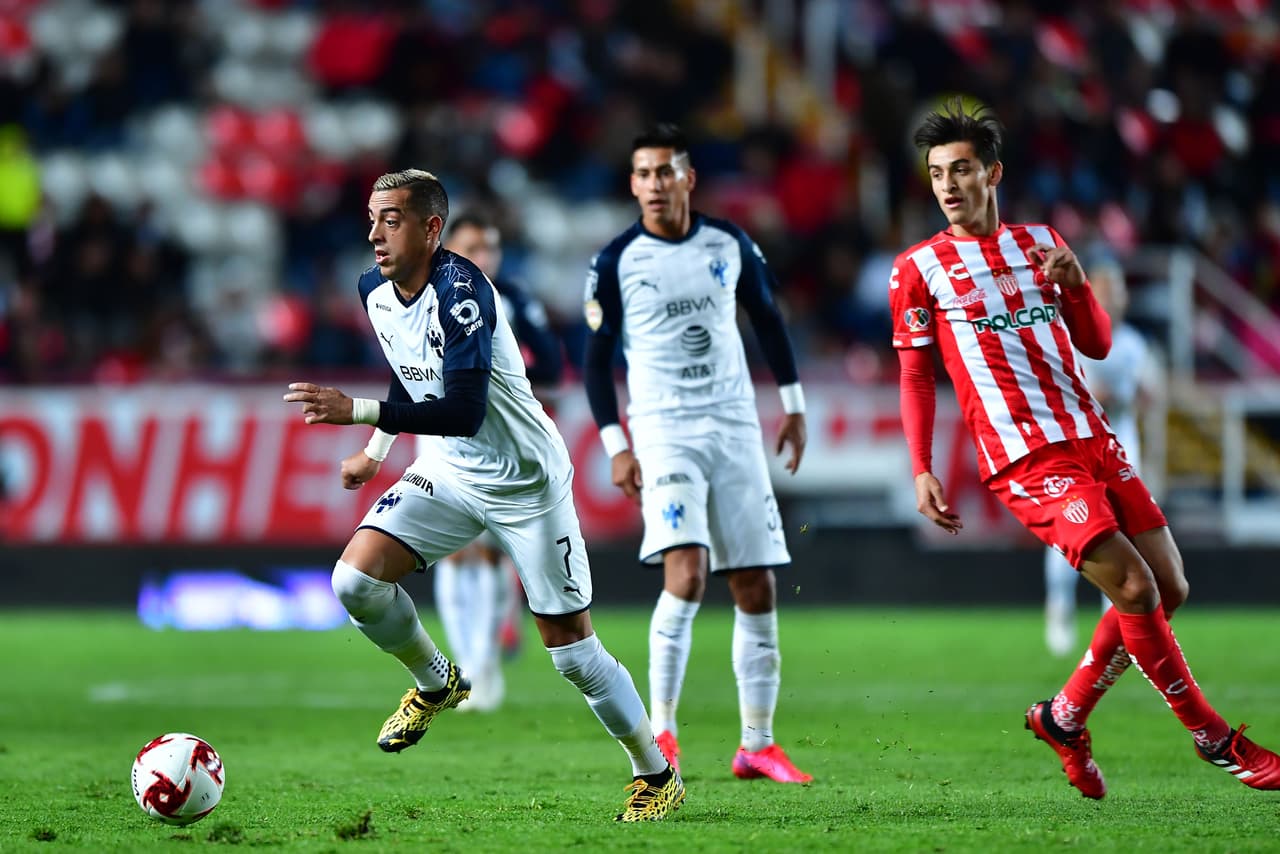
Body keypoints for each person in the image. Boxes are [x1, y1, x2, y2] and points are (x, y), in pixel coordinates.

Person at [892, 99, 1280, 799]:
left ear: (993, 172)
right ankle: (1214, 738)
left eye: (961, 169)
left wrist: (1075, 288)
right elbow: (917, 373)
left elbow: (1098, 342)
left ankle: (1063, 718)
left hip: (1093, 439)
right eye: (936, 174)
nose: (947, 185)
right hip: (1026, 457)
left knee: (1170, 588)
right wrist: (920, 465)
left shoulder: (1040, 242)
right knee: (1133, 586)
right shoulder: (919, 269)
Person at [283, 169, 684, 822]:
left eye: (391, 219)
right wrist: (378, 451)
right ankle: (436, 680)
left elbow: (465, 408)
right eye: (371, 217)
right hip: (449, 471)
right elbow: (412, 371)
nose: (374, 233)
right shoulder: (372, 291)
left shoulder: (464, 291)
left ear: (431, 229)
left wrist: (355, 412)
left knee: (574, 654)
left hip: (525, 481)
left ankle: (654, 771)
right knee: (353, 583)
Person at [582, 124, 812, 784]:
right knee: (686, 571)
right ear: (633, 185)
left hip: (734, 426)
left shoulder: (728, 242)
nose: (654, 185)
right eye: (643, 174)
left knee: (756, 582)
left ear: (688, 178)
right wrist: (617, 446)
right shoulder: (614, 261)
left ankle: (757, 745)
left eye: (665, 172)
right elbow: (597, 364)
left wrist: (793, 403)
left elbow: (768, 319)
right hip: (663, 430)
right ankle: (663, 734)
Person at [428, 212, 563, 711]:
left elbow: (551, 364)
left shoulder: (512, 297)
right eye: (474, 247)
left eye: (492, 248)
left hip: (495, 437)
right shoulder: (427, 291)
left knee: (486, 553)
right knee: (453, 554)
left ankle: (483, 669)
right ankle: (463, 666)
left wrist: (505, 369)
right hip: (439, 427)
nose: (485, 258)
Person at [1042, 259, 1157, 656]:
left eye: (1117, 290)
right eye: (1105, 289)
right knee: (1072, 533)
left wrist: (1140, 394)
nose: (1113, 297)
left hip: (1123, 447)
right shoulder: (1072, 338)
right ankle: (1059, 607)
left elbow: (1150, 392)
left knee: (1121, 535)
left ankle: (1116, 624)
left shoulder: (1134, 344)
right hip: (1078, 450)